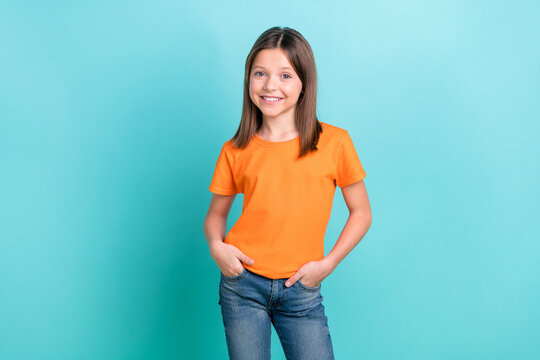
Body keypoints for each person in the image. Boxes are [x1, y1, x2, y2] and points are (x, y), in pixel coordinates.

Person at [203, 26, 372, 360]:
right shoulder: (235, 149)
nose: (270, 86)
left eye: (285, 75)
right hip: (242, 286)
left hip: (302, 289)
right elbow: (216, 215)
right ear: (248, 79)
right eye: (260, 74)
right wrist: (217, 248)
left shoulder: (334, 143)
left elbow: (362, 213)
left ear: (304, 83)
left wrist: (328, 264)